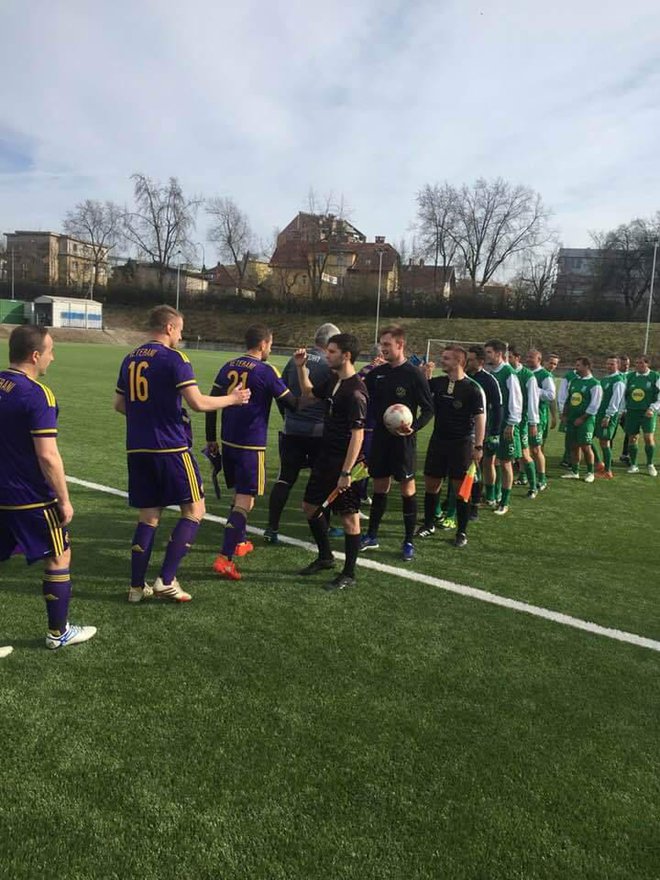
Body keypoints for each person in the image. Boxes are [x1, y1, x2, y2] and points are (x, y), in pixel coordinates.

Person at [115, 305, 250, 603]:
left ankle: (137, 587)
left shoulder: (130, 358)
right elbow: (198, 403)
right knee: (195, 510)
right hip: (171, 449)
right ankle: (166, 579)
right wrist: (234, 398)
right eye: (180, 329)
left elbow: (120, 405)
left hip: (138, 449)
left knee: (149, 516)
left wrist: (149, 417)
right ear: (169, 328)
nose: (181, 335)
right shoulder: (174, 359)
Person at [0, 325, 96, 650]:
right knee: (59, 554)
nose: (53, 357)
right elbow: (48, 456)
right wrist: (64, 500)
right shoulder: (38, 394)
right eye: (51, 350)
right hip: (29, 496)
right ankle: (58, 632)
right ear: (35, 355)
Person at [206, 325, 297, 580]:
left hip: (228, 441)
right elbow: (290, 403)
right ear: (264, 344)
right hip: (251, 444)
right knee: (246, 501)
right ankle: (225, 557)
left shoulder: (228, 366)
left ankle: (240, 541)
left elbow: (211, 406)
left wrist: (212, 439)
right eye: (270, 344)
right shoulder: (266, 371)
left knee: (239, 494)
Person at [294, 333, 368, 589]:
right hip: (325, 456)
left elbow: (358, 436)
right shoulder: (334, 379)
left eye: (332, 351)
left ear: (346, 356)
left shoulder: (356, 392)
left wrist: (347, 472)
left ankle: (349, 573)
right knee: (310, 507)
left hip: (345, 463)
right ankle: (325, 557)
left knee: (349, 518)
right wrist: (301, 368)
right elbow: (309, 393)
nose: (327, 355)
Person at [359, 326, 434, 561]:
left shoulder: (414, 375)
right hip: (381, 440)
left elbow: (429, 409)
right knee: (380, 487)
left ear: (400, 345)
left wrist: (415, 426)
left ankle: (408, 540)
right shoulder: (377, 374)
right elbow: (361, 394)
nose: (383, 348)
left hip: (404, 442)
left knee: (407, 489)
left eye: (387, 344)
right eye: (382, 344)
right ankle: (372, 535)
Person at [264, 322, 340, 544]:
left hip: (292, 429)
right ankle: (324, 528)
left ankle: (272, 527)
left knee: (285, 478)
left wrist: (289, 416)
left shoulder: (294, 360)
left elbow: (281, 394)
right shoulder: (329, 364)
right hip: (319, 432)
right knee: (323, 480)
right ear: (329, 343)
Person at [416, 346, 485, 547]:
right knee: (431, 483)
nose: (442, 361)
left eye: (446, 358)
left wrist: (478, 446)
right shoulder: (437, 383)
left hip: (461, 444)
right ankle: (429, 524)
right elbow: (419, 392)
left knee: (460, 489)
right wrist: (423, 376)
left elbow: (480, 419)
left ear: (458, 362)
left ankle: (461, 532)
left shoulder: (472, 389)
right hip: (438, 441)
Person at [483, 339, 522, 515]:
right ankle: (490, 495)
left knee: (506, 462)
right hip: (490, 423)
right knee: (488, 459)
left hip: (505, 424)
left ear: (499, 354)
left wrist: (512, 423)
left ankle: (504, 502)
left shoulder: (509, 373)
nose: (486, 355)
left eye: (489, 352)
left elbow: (516, 399)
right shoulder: (489, 372)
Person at [466, 345, 503, 519]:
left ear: (480, 362)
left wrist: (495, 432)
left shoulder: (489, 380)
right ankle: (468, 497)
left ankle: (485, 498)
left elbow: (497, 407)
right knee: (468, 467)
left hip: (482, 430)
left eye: (471, 359)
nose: (468, 361)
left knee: (483, 465)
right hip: (464, 429)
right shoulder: (463, 376)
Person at [560, 357, 602, 483]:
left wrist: (583, 418)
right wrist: (564, 414)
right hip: (572, 419)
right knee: (573, 446)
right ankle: (575, 471)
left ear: (587, 366)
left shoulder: (595, 384)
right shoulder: (574, 381)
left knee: (586, 446)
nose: (576, 368)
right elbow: (569, 399)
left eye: (578, 365)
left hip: (586, 421)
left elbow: (594, 405)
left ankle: (590, 472)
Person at [508, 346, 541, 498]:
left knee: (524, 454)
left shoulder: (528, 376)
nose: (506, 359)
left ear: (516, 357)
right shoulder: (504, 372)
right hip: (504, 420)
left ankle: (534, 487)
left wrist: (533, 422)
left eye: (509, 356)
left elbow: (534, 400)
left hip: (521, 421)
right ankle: (495, 493)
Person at [623, 355, 660, 476]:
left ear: (647, 364)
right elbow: (624, 395)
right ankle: (634, 465)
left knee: (648, 438)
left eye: (641, 363)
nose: (638, 365)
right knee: (632, 438)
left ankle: (650, 464)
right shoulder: (630, 376)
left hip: (647, 412)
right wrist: (622, 409)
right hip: (632, 411)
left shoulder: (655, 376)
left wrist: (652, 408)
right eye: (637, 363)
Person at [526, 348, 556, 491]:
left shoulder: (544, 375)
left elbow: (551, 395)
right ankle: (524, 475)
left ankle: (542, 478)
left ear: (539, 359)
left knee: (536, 448)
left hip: (538, 415)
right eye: (528, 357)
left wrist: (535, 390)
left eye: (531, 357)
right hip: (525, 415)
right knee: (524, 448)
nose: (528, 359)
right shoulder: (525, 373)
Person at [594, 355, 626, 479]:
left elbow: (615, 400)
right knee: (587, 439)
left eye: (612, 364)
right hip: (599, 413)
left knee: (604, 442)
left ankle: (607, 471)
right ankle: (599, 463)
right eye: (607, 363)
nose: (609, 366)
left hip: (608, 415)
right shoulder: (605, 379)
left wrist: (608, 416)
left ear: (618, 365)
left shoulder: (618, 381)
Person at [557, 363, 578, 468]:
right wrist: (562, 411)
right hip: (568, 411)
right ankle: (567, 458)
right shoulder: (569, 377)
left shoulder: (589, 379)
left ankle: (596, 461)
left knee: (582, 438)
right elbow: (562, 394)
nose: (578, 367)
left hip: (581, 413)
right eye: (577, 364)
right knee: (570, 436)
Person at [618, 354, 632, 464]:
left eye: (628, 364)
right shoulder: (614, 376)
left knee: (630, 432)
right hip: (613, 410)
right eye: (624, 365)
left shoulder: (631, 376)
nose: (626, 366)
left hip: (626, 411)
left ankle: (625, 454)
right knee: (609, 435)